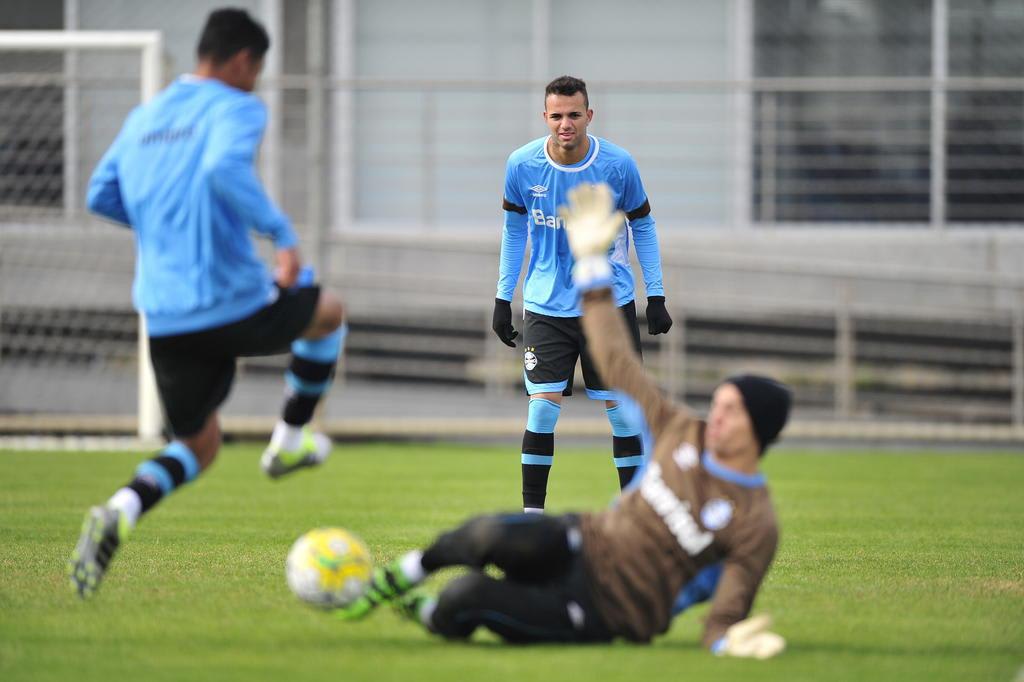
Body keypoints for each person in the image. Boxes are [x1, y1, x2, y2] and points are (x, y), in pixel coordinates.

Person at [341, 184, 790, 658]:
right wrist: (593, 264)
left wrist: (728, 643)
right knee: (488, 533)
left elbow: (723, 618)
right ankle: (396, 577)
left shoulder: (755, 523)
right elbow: (617, 361)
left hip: (606, 608)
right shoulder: (684, 431)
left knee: (467, 597)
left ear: (758, 431)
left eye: (730, 412)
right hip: (582, 540)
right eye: (716, 405)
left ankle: (431, 614)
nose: (714, 418)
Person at [67, 8, 346, 598]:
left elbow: (100, 193)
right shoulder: (236, 105)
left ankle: (119, 509)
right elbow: (222, 167)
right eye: (258, 69)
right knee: (327, 312)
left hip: (165, 314)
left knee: (199, 443)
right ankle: (290, 439)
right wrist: (281, 233)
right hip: (228, 298)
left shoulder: (146, 115)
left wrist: (161, 224)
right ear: (244, 60)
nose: (257, 81)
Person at [492, 75, 673, 513]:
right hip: (545, 306)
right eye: (557, 116)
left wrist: (657, 293)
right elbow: (514, 230)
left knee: (623, 412)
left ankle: (633, 513)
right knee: (541, 411)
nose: (565, 124)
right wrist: (502, 297)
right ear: (545, 117)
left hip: (608, 307)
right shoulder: (522, 164)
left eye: (574, 115)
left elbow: (643, 224)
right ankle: (531, 518)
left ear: (589, 115)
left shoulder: (618, 164)